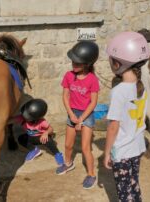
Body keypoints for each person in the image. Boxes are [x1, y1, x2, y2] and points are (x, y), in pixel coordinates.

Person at [104, 32, 149, 201]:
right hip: (137, 147)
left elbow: (113, 126)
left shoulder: (118, 92)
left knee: (124, 193)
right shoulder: (141, 86)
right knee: (134, 185)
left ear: (117, 63)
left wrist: (107, 152)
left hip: (122, 151)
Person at [57, 41, 100, 189]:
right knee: (68, 145)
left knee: (85, 148)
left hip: (86, 114)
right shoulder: (69, 76)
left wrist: (81, 119)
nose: (73, 64)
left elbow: (93, 102)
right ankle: (68, 164)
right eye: (73, 61)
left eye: (78, 63)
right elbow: (65, 96)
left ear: (87, 64)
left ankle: (91, 174)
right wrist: (71, 115)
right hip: (72, 112)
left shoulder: (92, 79)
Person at [13, 99, 64, 170]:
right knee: (21, 138)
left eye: (27, 117)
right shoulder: (23, 117)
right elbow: (11, 120)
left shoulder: (41, 122)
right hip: (30, 137)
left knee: (49, 141)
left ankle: (57, 154)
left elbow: (51, 129)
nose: (24, 117)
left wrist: (46, 133)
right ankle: (34, 150)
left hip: (40, 138)